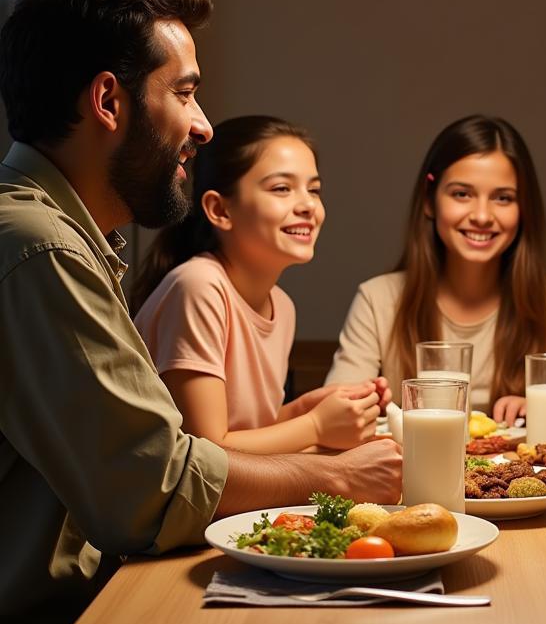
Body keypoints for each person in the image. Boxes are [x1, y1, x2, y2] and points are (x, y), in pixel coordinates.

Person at [0, 0, 400, 624]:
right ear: (109, 100)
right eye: (183, 92)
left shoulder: (68, 240)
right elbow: (153, 488)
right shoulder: (38, 248)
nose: (204, 123)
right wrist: (334, 474)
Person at [326, 114, 546, 429]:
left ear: (523, 209)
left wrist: (545, 408)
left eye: (503, 198)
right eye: (462, 194)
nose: (483, 216)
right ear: (430, 201)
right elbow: (334, 410)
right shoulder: (378, 300)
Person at [133, 115, 387, 453]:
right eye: (282, 188)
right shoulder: (199, 287)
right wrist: (315, 425)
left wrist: (308, 409)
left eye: (314, 190)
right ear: (219, 209)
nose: (308, 205)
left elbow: (248, 433)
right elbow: (207, 451)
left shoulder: (281, 305)